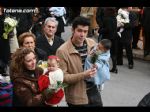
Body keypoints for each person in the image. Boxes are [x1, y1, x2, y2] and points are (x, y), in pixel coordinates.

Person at [56, 16, 103, 107]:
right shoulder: (62, 51)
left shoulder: (92, 43)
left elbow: (101, 60)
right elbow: (63, 78)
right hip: (76, 97)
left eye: (85, 31)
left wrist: (99, 66)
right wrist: (84, 75)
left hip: (94, 91)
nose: (82, 34)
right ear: (73, 30)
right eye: (79, 31)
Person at [96, 7, 118, 73]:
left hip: (107, 38)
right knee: (113, 53)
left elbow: (106, 29)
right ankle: (115, 67)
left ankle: (102, 66)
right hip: (114, 38)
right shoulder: (114, 18)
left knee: (103, 52)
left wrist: (99, 30)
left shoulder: (106, 19)